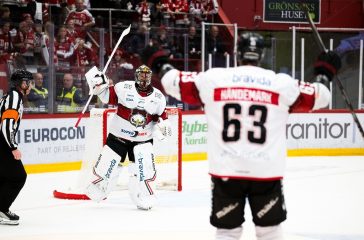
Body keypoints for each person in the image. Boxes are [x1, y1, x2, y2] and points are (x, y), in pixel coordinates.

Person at [143, 32, 341, 239]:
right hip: (266, 172)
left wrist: (158, 61)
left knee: (227, 232)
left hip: (227, 170)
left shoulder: (213, 79)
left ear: (237, 53)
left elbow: (171, 81)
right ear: (262, 54)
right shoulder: (281, 84)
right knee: (269, 231)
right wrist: (325, 72)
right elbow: (321, 96)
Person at [84, 64, 171, 210]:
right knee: (106, 169)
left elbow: (162, 118)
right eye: (141, 75)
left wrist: (163, 127)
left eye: (146, 76)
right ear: (136, 76)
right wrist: (99, 84)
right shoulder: (123, 87)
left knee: (143, 173)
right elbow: (105, 97)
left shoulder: (158, 97)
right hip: (118, 136)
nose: (144, 79)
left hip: (142, 140)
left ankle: (143, 198)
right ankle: (99, 190)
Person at [0, 69, 33, 225]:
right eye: (29, 82)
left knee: (4, 176)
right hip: (2, 143)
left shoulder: (13, 96)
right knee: (18, 176)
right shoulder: (14, 97)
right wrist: (13, 147)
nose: (31, 85)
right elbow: (6, 124)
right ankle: (1, 209)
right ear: (23, 83)